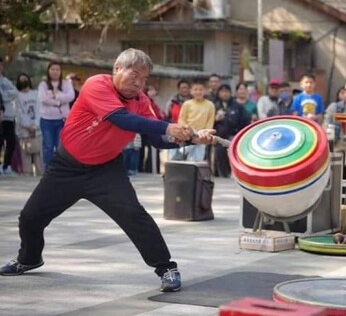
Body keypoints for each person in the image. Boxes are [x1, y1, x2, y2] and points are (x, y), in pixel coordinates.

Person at [0, 49, 216, 293]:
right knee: (30, 217)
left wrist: (193, 139)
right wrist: (169, 126)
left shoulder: (142, 102)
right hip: (66, 167)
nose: (139, 83)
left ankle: (166, 267)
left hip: (105, 170)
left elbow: (156, 139)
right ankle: (29, 258)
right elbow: (122, 119)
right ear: (116, 69)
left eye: (144, 79)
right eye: (134, 75)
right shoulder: (97, 85)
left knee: (134, 215)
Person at [38, 62, 75, 168]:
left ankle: (60, 169)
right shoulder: (43, 84)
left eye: (57, 69)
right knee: (48, 146)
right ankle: (48, 168)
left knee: (60, 146)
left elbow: (71, 96)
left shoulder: (66, 83)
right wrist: (58, 102)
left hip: (62, 119)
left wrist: (57, 95)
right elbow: (43, 99)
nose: (55, 72)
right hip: (47, 119)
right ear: (48, 71)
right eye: (52, 69)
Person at [213, 84, 250, 177]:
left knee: (234, 160)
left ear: (230, 93)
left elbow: (246, 121)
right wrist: (215, 119)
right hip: (219, 138)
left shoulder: (237, 106)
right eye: (222, 92)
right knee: (220, 159)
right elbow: (208, 122)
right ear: (219, 93)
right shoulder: (214, 106)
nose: (225, 94)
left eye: (227, 92)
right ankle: (223, 176)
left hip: (234, 138)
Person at [177, 81, 215, 161]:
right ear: (191, 91)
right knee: (180, 156)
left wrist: (204, 133)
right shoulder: (187, 104)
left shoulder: (210, 105)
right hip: (188, 134)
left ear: (205, 91)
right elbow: (181, 120)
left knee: (196, 160)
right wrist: (190, 131)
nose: (198, 92)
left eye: (200, 90)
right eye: (195, 89)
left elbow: (210, 122)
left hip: (202, 135)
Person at [15, 73, 43, 176]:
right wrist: (28, 126)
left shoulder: (36, 94)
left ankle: (40, 175)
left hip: (37, 130)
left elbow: (38, 110)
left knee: (38, 156)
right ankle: (27, 178)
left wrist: (35, 125)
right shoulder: (17, 96)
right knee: (25, 156)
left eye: (25, 79)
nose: (23, 82)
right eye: (21, 80)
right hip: (23, 132)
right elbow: (19, 113)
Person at [0, 57, 19, 175]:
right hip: (0, 116)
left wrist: (5, 95)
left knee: (11, 141)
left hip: (9, 116)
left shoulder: (6, 81)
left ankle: (6, 165)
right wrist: (6, 95)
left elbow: (15, 92)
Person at [165, 79, 191, 161]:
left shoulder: (194, 101)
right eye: (182, 88)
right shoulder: (172, 102)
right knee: (173, 156)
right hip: (174, 131)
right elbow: (167, 116)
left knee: (188, 157)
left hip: (189, 132)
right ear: (178, 89)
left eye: (186, 88)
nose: (185, 90)